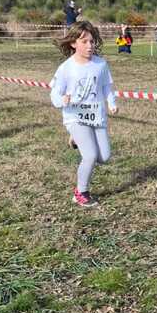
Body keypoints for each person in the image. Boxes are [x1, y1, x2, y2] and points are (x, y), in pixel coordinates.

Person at [50, 21, 118, 207]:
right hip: (75, 117)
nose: (90, 45)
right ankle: (81, 192)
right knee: (90, 156)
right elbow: (54, 94)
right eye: (84, 41)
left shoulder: (101, 64)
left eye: (92, 41)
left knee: (104, 157)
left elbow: (106, 87)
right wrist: (62, 100)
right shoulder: (66, 68)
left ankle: (75, 138)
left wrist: (112, 103)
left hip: (96, 116)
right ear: (73, 43)